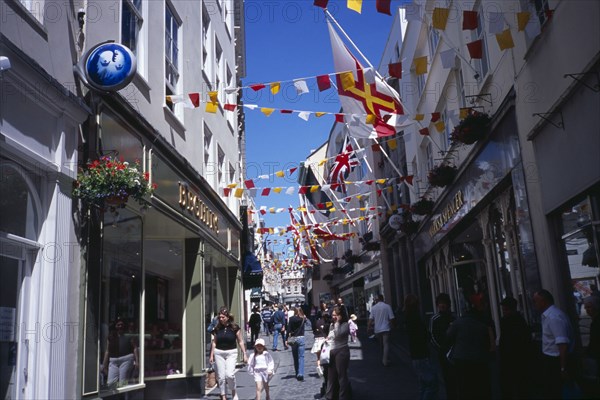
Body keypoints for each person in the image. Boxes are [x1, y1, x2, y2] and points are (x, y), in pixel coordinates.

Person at [446, 300, 495, 399]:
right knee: (480, 386)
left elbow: (448, 335)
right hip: (478, 359)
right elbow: (488, 342)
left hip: (461, 359)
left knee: (464, 387)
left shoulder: (458, 323)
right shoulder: (483, 325)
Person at [532, 289, 575, 399]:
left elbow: (563, 344)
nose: (534, 304)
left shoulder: (554, 317)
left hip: (555, 361)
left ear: (543, 301)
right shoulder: (549, 316)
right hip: (550, 359)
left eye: (535, 301)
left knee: (554, 391)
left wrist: (563, 367)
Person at [209, 306, 248, 400]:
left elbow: (241, 341)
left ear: (228, 317)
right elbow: (214, 342)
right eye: (220, 317)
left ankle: (234, 391)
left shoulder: (235, 328)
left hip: (231, 352)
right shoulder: (217, 328)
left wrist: (245, 354)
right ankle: (223, 396)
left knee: (230, 375)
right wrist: (211, 355)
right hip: (219, 353)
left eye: (223, 317)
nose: (221, 319)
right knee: (221, 377)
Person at [404, 294, 438, 400]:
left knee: (423, 385)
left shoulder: (408, 317)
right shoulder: (416, 318)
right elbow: (422, 335)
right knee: (432, 384)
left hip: (415, 354)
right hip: (421, 354)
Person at [498, 296, 531, 399]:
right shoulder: (520, 320)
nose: (504, 312)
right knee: (521, 385)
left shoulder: (506, 321)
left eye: (505, 310)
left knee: (510, 385)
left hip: (510, 357)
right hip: (520, 357)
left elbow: (505, 340)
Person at [429, 292, 456, 400]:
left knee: (456, 377)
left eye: (443, 303)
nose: (442, 305)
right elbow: (432, 335)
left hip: (454, 352)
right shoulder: (435, 319)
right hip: (443, 353)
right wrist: (440, 349)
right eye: (440, 303)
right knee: (447, 377)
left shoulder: (454, 318)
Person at [102, 317, 139, 388]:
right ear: (115, 326)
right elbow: (107, 351)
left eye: (122, 324)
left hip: (126, 359)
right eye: (118, 325)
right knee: (111, 384)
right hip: (113, 361)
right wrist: (104, 364)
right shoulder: (110, 336)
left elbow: (135, 348)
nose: (120, 326)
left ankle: (123, 396)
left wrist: (137, 361)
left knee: (123, 383)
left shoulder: (128, 335)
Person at [325, 305, 351, 400]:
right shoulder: (332, 325)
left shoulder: (345, 324)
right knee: (330, 376)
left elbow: (339, 334)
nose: (333, 317)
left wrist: (337, 323)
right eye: (332, 315)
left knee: (342, 376)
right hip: (332, 351)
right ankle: (329, 396)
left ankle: (343, 396)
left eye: (335, 315)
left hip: (342, 351)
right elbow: (330, 335)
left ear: (340, 315)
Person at [367, 294, 395, 366]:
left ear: (377, 300)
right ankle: (385, 359)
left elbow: (370, 319)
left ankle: (384, 357)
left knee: (381, 344)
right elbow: (392, 318)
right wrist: (392, 326)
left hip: (378, 329)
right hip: (386, 328)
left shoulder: (374, 308)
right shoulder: (387, 306)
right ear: (383, 299)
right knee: (386, 343)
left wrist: (368, 327)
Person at [313, 312, 332, 397]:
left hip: (319, 341)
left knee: (319, 358)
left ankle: (320, 371)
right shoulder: (329, 323)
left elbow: (315, 331)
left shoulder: (318, 322)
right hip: (325, 342)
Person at [287, 307, 307, 381]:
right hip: (301, 338)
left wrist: (286, 339)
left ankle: (297, 373)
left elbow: (288, 329)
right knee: (301, 357)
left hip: (294, 339)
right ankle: (301, 373)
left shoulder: (292, 319)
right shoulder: (303, 319)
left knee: (295, 357)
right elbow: (308, 323)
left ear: (294, 311)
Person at [584, 295, 600, 386]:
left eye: (589, 307)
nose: (587, 310)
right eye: (586, 307)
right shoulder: (594, 321)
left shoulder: (597, 321)